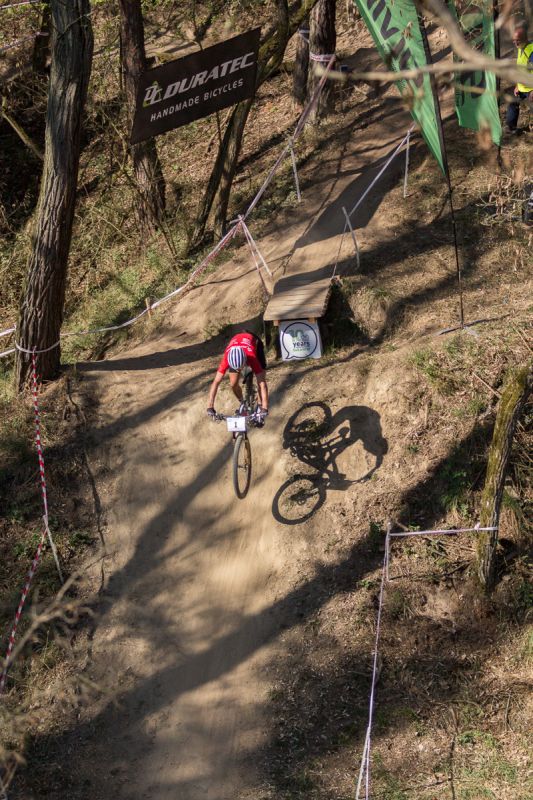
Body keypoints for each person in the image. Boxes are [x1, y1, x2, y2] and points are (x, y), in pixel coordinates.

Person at [207, 330, 269, 425]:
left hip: (253, 342)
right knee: (233, 384)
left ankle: (259, 406)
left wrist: (265, 408)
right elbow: (216, 382)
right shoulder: (227, 358)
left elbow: (262, 384)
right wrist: (210, 406)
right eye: (238, 369)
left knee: (261, 378)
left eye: (241, 367)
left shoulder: (251, 357)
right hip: (237, 345)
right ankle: (242, 402)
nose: (240, 370)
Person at [506, 23, 533, 134]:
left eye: (518, 40)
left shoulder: (531, 52)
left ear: (525, 39)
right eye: (514, 40)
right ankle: (511, 128)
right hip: (522, 86)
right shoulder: (521, 48)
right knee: (512, 102)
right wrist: (517, 85)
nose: (515, 43)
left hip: (531, 88)